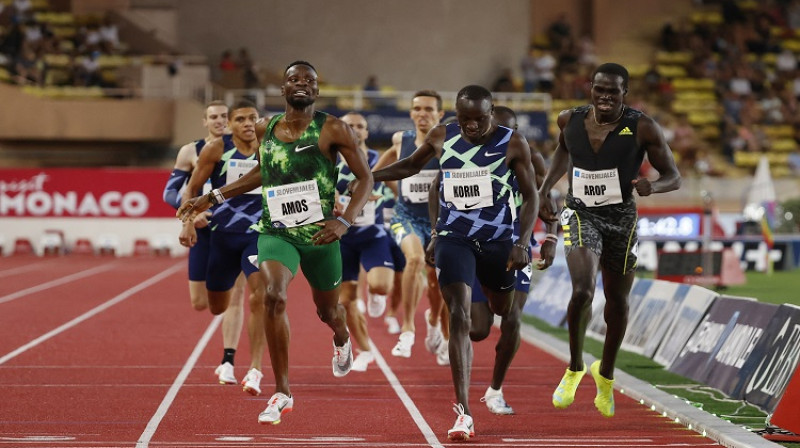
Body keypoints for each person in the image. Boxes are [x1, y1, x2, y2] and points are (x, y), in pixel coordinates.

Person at [178, 61, 374, 425]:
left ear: (316, 91)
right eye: (293, 79)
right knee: (273, 295)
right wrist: (213, 197)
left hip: (321, 235)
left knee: (328, 312)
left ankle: (342, 336)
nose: (301, 84)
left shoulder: (333, 128)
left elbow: (365, 180)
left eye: (309, 81)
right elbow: (262, 173)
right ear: (282, 90)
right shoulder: (266, 127)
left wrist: (344, 222)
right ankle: (282, 392)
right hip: (276, 230)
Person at [365, 85, 538, 441]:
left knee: (494, 316)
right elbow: (411, 166)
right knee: (458, 316)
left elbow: (532, 195)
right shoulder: (444, 134)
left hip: (497, 242)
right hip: (453, 237)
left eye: (478, 119)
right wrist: (370, 177)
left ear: (491, 113)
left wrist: (523, 242)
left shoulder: (512, 142)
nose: (470, 126)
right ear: (455, 115)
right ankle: (464, 411)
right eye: (464, 119)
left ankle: (491, 325)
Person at [541, 63, 681, 417]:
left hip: (621, 219)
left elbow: (673, 175)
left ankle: (605, 374)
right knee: (583, 290)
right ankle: (574, 366)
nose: (605, 97)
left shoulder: (642, 126)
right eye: (599, 89)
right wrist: (545, 189)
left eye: (613, 91)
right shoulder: (568, 119)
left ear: (624, 93)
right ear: (591, 88)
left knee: (617, 300)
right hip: (580, 212)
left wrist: (655, 185)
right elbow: (563, 150)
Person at [426, 106, 557, 416]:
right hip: (470, 241)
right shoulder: (466, 152)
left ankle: (496, 390)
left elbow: (548, 200)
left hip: (513, 245)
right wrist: (435, 231)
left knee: (512, 318)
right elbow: (436, 188)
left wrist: (549, 239)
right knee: (478, 330)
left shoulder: (527, 155)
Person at [179, 100, 267, 396]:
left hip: (258, 234)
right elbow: (192, 188)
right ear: (230, 124)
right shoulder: (216, 148)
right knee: (216, 305)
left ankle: (255, 369)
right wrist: (188, 221)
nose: (247, 123)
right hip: (222, 235)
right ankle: (233, 355)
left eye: (252, 118)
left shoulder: (270, 147)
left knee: (261, 296)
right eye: (240, 119)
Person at [162, 101, 249, 387]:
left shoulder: (248, 147)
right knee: (202, 303)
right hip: (204, 232)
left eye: (225, 116)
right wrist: (191, 214)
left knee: (236, 296)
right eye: (214, 117)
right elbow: (170, 192)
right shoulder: (191, 151)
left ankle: (228, 360)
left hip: (235, 230)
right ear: (205, 121)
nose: (220, 121)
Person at [372, 90, 449, 364]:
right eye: (417, 108)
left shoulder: (448, 143)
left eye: (429, 109)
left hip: (437, 222)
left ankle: (434, 320)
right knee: (414, 259)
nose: (422, 114)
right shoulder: (401, 139)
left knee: (437, 283)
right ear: (411, 113)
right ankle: (407, 330)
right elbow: (384, 163)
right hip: (405, 216)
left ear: (440, 115)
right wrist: (372, 183)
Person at [336, 112, 405, 372]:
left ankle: (376, 294)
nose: (354, 130)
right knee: (345, 302)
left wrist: (395, 200)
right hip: (341, 238)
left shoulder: (377, 160)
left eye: (360, 127)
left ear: (366, 132)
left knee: (379, 287)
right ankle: (365, 350)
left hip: (373, 233)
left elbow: (397, 189)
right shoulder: (330, 163)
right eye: (348, 126)